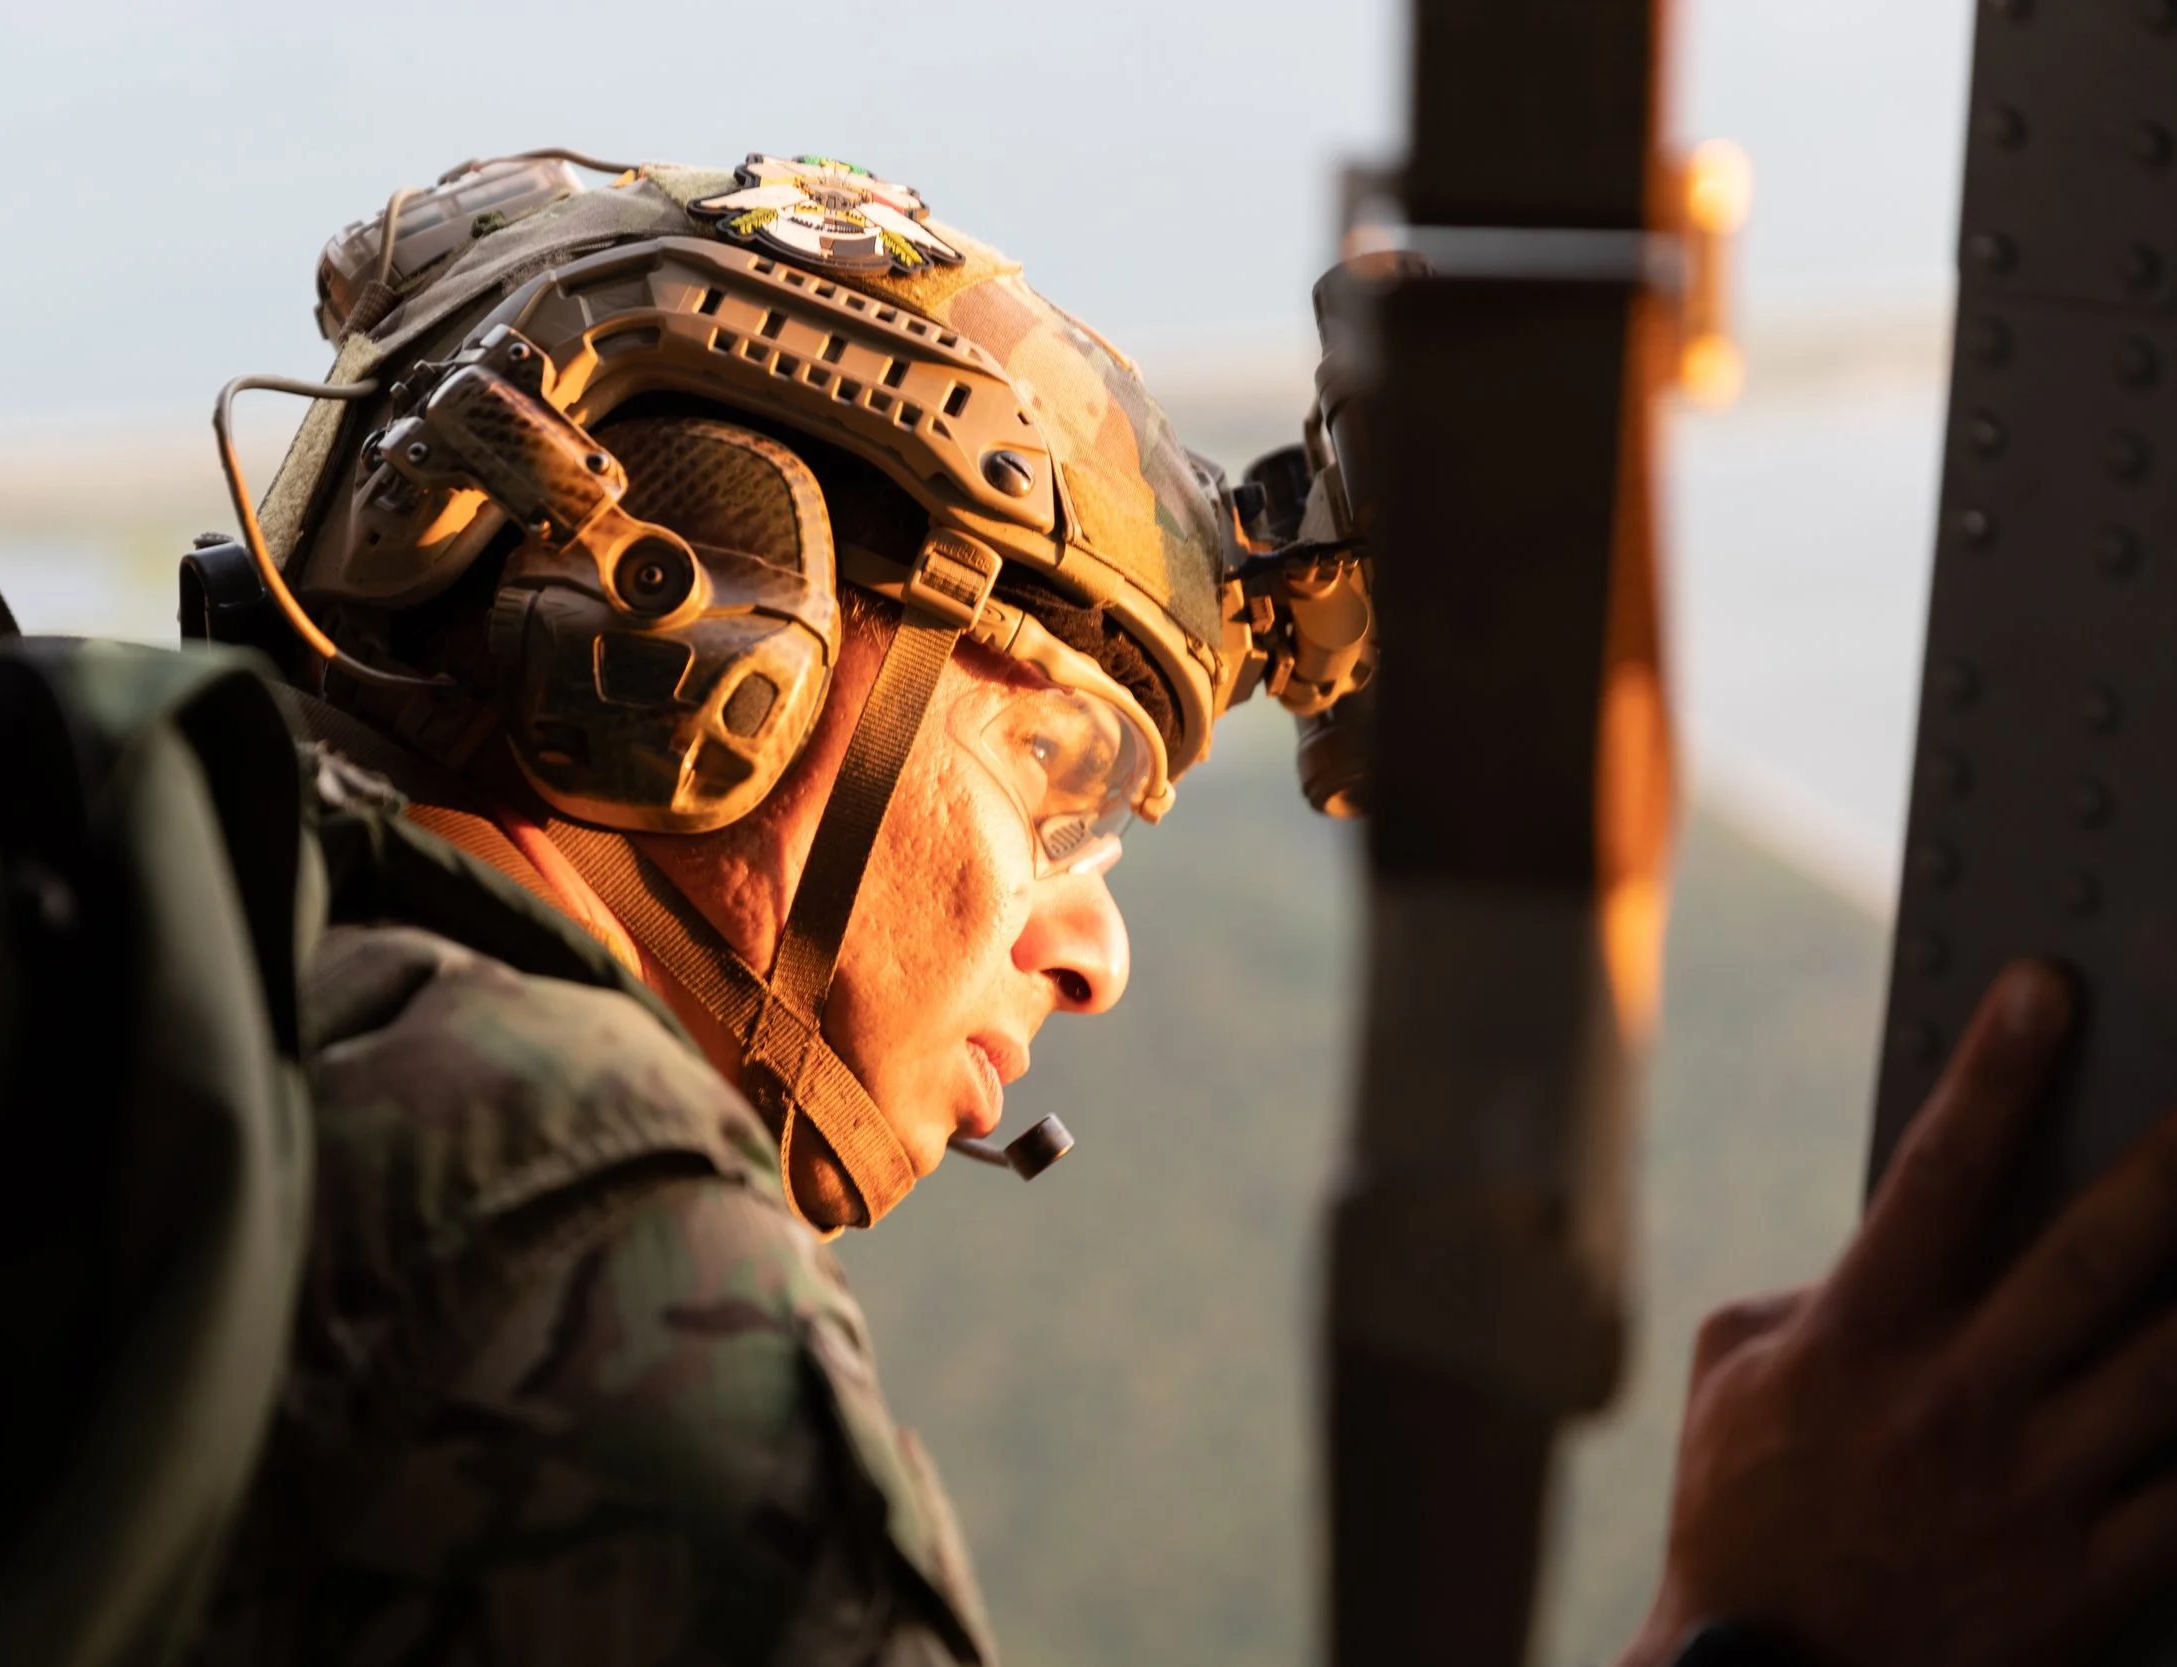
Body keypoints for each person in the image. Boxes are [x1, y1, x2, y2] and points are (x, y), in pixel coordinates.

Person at [187, 154, 2177, 1667]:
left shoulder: (198, 975)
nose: (1094, 944)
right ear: (701, 648)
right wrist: (1762, 1625)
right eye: (1053, 785)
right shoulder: (586, 1302)